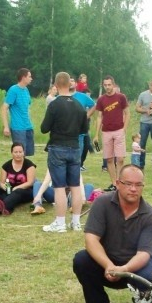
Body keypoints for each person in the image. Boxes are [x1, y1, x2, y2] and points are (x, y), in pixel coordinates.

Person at [72, 165, 152, 303]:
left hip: (136, 268)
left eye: (138, 185)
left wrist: (124, 269)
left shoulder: (151, 215)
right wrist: (108, 265)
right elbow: (91, 239)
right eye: (128, 184)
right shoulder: (102, 203)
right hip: (107, 264)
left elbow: (144, 254)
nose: (133, 189)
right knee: (81, 260)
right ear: (118, 183)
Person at [40, 71, 89, 233]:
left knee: (59, 187)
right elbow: (84, 129)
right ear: (70, 84)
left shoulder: (54, 104)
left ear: (55, 85)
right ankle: (76, 222)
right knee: (75, 186)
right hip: (75, 147)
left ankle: (60, 223)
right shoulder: (79, 105)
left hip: (57, 147)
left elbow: (44, 128)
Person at [92, 75, 130, 190]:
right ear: (103, 86)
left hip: (118, 130)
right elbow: (99, 116)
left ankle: (120, 181)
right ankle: (114, 183)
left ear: (113, 84)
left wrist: (124, 128)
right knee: (109, 159)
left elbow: (127, 113)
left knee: (120, 158)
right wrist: (96, 134)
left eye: (109, 85)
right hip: (106, 131)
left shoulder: (121, 97)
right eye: (105, 85)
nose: (107, 87)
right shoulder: (101, 99)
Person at [1, 67, 35, 156]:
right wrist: (6, 126)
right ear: (23, 77)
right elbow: (4, 108)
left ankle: (25, 170)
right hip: (18, 128)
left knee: (27, 153)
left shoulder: (26, 90)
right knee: (19, 154)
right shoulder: (13, 90)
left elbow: (27, 108)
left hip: (28, 126)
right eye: (29, 76)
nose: (31, 78)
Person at [0, 142, 37, 215]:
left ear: (23, 153)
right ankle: (7, 209)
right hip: (10, 190)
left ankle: (1, 207)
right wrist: (3, 186)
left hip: (26, 190)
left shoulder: (29, 165)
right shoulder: (6, 166)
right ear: (12, 153)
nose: (18, 154)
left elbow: (30, 182)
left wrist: (17, 188)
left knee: (17, 192)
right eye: (15, 152)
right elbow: (2, 182)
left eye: (20, 152)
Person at [135, 79, 152, 168]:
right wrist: (146, 110)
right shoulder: (143, 95)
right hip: (144, 121)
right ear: (150, 86)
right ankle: (141, 164)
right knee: (142, 143)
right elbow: (137, 108)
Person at [70, 79, 96, 170]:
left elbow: (94, 105)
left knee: (80, 149)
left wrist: (87, 116)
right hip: (65, 131)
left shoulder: (82, 96)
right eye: (68, 81)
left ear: (76, 84)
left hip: (80, 130)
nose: (70, 82)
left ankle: (78, 167)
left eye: (72, 81)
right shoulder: (61, 96)